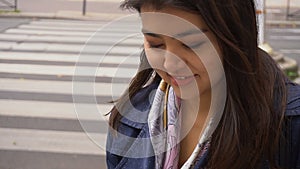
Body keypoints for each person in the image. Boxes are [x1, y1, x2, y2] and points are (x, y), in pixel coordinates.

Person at [106, 0, 300, 168]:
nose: (170, 63)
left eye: (191, 44)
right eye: (156, 44)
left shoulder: (290, 128)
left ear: (234, 36)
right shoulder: (129, 118)